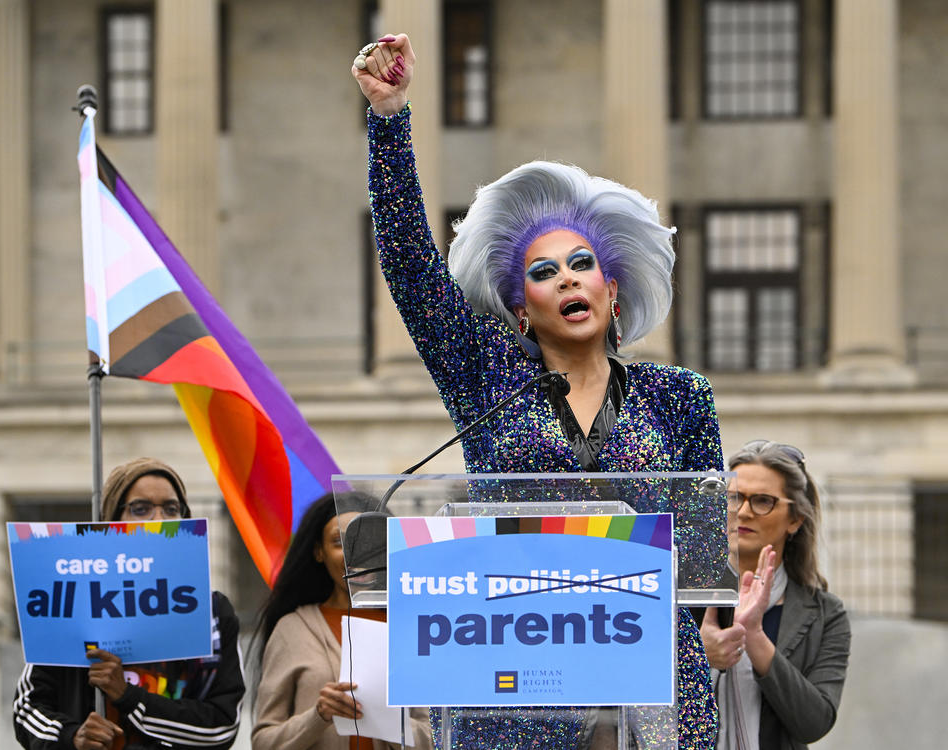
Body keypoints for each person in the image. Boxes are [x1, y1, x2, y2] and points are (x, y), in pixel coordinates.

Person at [352, 34, 726, 749]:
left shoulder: (681, 398)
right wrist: (390, 120)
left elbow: (702, 550)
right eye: (544, 272)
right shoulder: (486, 375)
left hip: (650, 685)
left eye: (582, 264)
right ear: (521, 308)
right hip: (515, 679)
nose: (567, 280)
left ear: (612, 289)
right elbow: (408, 266)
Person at [13, 458, 245, 750]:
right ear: (113, 519)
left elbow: (220, 729)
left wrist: (128, 697)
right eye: (141, 509)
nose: (158, 519)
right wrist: (71, 737)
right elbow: (27, 708)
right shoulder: (72, 600)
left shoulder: (210, 613)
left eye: (171, 509)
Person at [251, 493, 432, 750]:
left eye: (370, 542)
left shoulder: (413, 628)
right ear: (319, 552)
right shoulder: (291, 630)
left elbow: (439, 736)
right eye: (339, 542)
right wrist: (318, 715)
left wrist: (390, 721)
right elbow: (263, 743)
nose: (356, 555)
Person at [700, 441, 850, 750]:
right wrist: (700, 659)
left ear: (795, 519)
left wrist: (754, 638)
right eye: (734, 498)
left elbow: (814, 722)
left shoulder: (825, 614)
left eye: (763, 501)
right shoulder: (681, 594)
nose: (743, 511)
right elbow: (633, 697)